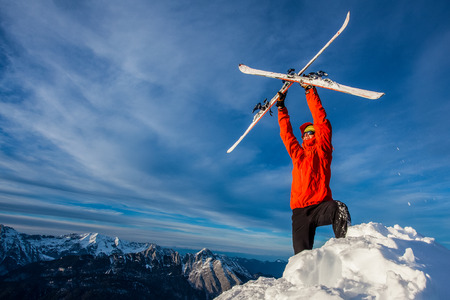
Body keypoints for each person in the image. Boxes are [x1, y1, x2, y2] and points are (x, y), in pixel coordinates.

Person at [276, 85, 351, 255]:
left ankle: (347, 251)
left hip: (321, 207)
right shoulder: (298, 155)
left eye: (311, 132)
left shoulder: (323, 151)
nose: (308, 135)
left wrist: (310, 91)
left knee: (339, 208)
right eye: (305, 134)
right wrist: (281, 108)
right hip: (300, 212)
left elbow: (321, 120)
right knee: (301, 259)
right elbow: (286, 135)